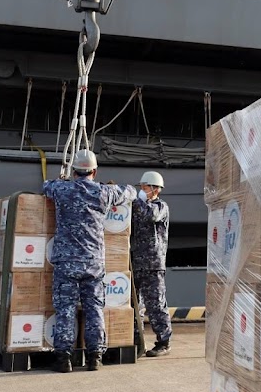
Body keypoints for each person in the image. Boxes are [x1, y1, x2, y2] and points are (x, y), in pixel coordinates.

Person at [41, 149, 136, 373]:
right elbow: (130, 192)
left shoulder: (62, 189)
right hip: (93, 262)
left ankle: (64, 358)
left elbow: (45, 185)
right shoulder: (104, 193)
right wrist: (111, 187)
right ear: (94, 171)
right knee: (94, 308)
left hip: (66, 262)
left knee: (65, 308)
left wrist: (61, 180)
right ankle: (95, 357)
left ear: (74, 171)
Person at [131, 170, 172, 357]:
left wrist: (136, 200)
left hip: (153, 264)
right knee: (134, 306)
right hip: (135, 263)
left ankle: (163, 342)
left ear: (155, 189)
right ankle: (137, 341)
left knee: (155, 304)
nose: (141, 189)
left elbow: (151, 216)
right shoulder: (137, 206)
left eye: (144, 187)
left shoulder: (160, 206)